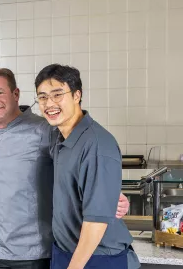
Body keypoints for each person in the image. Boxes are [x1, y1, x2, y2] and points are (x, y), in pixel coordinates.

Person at [0, 67, 130, 269]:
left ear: (16, 94)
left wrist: (113, 195)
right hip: (1, 249)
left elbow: (86, 174)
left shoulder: (48, 129)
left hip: (41, 251)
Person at [34, 64, 139, 269]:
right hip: (67, 253)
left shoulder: (98, 144)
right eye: (43, 96)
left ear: (76, 95)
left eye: (57, 94)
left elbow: (96, 222)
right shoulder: (59, 137)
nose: (49, 103)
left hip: (97, 258)